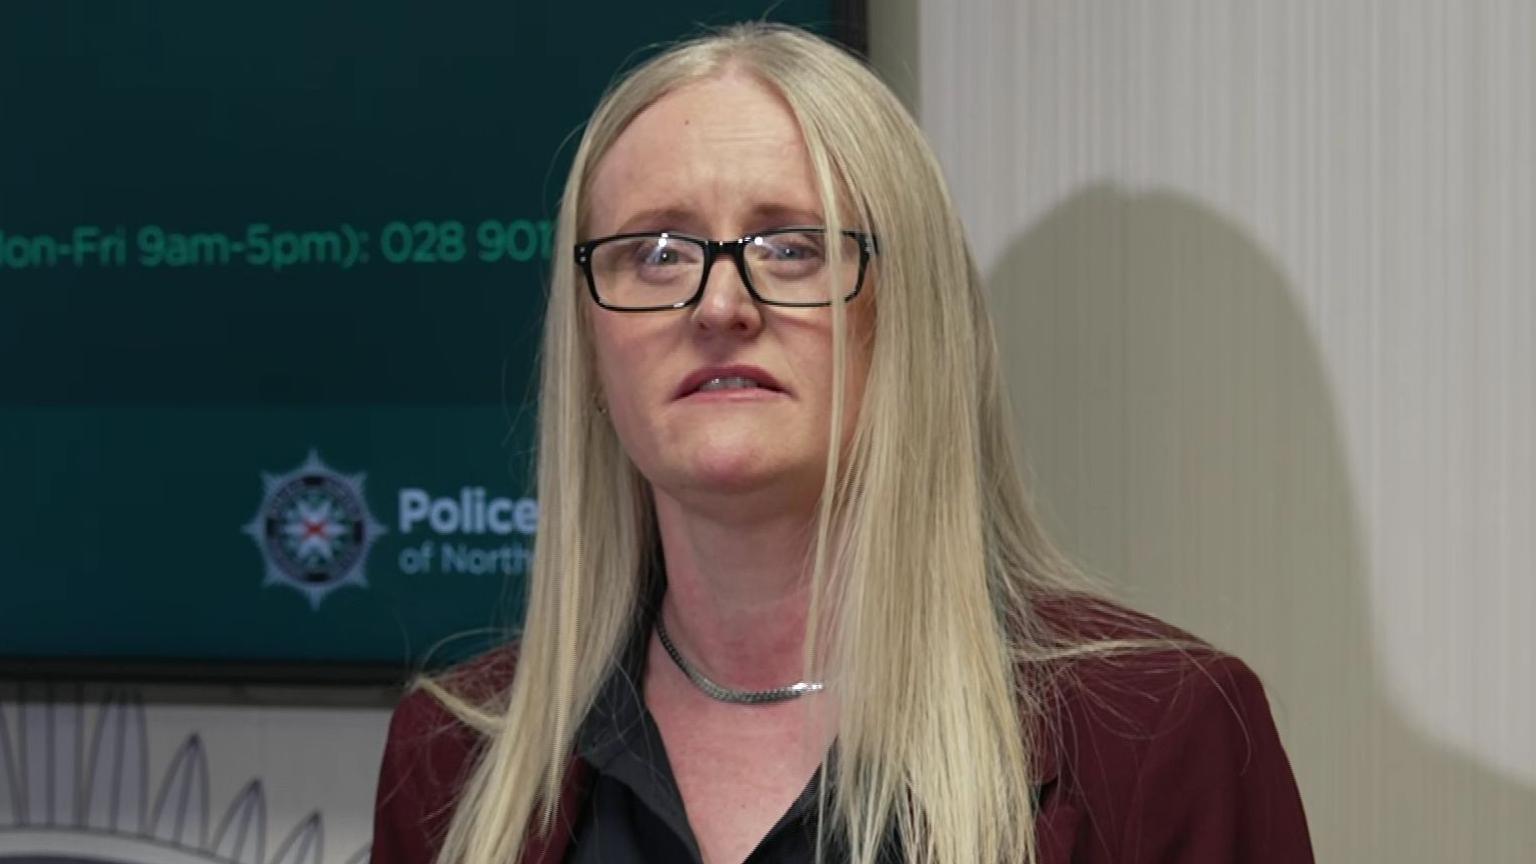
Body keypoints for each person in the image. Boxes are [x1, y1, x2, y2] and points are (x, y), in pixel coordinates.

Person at [371, 22, 1313, 864]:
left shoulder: (1159, 739)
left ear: (911, 313)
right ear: (590, 346)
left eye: (792, 246)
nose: (720, 305)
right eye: (657, 253)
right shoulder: (456, 756)